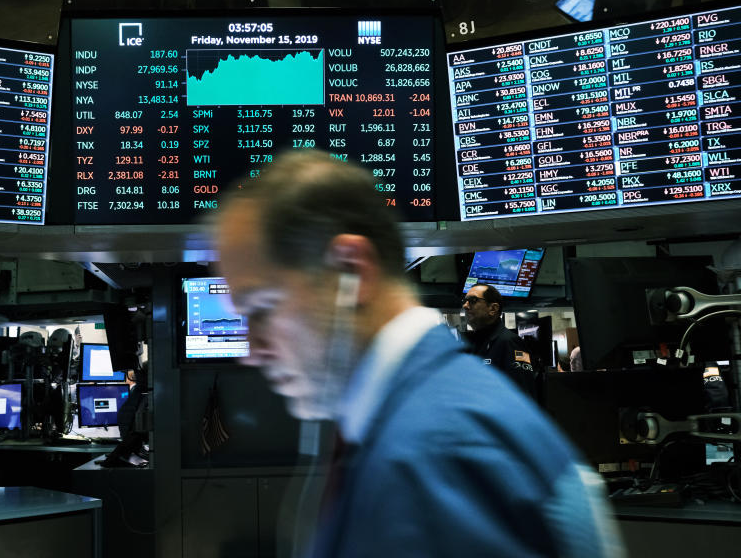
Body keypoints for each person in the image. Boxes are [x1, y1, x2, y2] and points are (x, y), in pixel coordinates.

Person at [214, 150, 623, 558]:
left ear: (350, 273)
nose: (252, 351)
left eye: (263, 307)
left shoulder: (430, 461)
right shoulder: (420, 421)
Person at [462, 283, 538, 397]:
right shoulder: (473, 344)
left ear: (493, 309)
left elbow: (522, 396)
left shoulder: (509, 342)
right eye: (465, 300)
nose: (465, 305)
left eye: (473, 300)